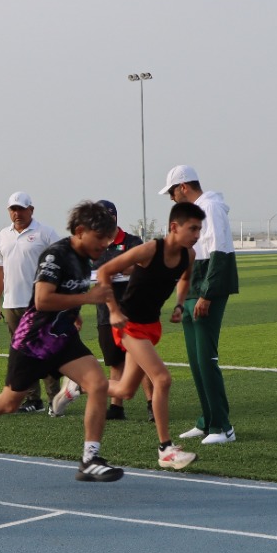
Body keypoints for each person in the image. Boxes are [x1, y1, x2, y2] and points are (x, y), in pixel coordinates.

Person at [0, 201, 124, 482]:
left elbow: (72, 291)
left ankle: (90, 459)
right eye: (100, 237)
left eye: (107, 238)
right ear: (80, 231)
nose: (105, 244)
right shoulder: (56, 255)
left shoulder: (85, 257)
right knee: (10, 403)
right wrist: (87, 298)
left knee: (98, 384)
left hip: (63, 338)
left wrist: (78, 312)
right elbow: (42, 300)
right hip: (34, 341)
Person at [52, 201, 204, 469]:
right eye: (192, 228)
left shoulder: (188, 255)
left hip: (150, 325)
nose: (197, 234)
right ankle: (165, 449)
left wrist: (180, 304)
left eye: (199, 229)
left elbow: (184, 278)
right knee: (162, 378)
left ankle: (76, 387)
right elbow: (104, 271)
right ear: (174, 227)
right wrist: (112, 311)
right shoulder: (149, 250)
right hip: (128, 324)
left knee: (125, 390)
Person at [161, 165, 239, 445]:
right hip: (193, 288)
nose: (171, 198)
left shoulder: (211, 207)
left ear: (183, 186)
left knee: (206, 359)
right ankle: (207, 421)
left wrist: (206, 294)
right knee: (196, 361)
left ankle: (223, 427)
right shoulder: (194, 212)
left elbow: (220, 251)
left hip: (207, 289)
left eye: (172, 191)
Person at [0, 191, 62, 411]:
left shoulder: (46, 233)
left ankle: (55, 400)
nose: (17, 213)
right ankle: (33, 399)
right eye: (13, 209)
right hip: (12, 304)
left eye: (21, 209)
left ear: (31, 209)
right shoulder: (3, 235)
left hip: (39, 303)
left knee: (45, 350)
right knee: (22, 354)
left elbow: (62, 264)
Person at [90, 201, 143, 420]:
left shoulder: (132, 241)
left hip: (134, 310)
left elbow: (143, 264)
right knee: (115, 362)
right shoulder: (93, 246)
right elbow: (89, 275)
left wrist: (120, 268)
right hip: (106, 313)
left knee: (141, 360)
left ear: (115, 217)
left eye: (108, 216)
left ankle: (152, 405)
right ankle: (116, 407)